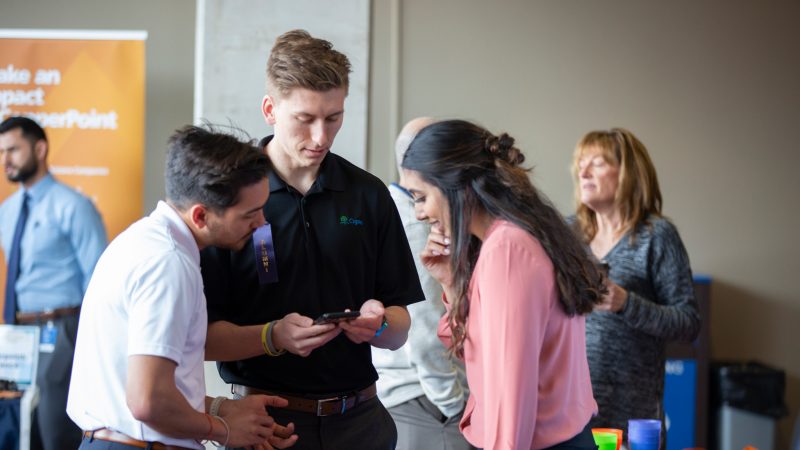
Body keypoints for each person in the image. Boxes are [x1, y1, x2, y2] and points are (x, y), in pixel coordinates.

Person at [200, 30, 423, 450]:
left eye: (334, 117)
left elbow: (399, 330)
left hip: (361, 424)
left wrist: (377, 326)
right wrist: (273, 336)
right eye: (305, 119)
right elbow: (202, 339)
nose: (321, 137)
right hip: (265, 426)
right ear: (270, 109)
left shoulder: (368, 194)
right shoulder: (226, 198)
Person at [67, 125, 298, 450]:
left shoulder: (143, 240)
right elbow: (147, 401)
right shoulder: (168, 264)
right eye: (250, 213)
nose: (262, 223)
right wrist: (223, 429)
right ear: (201, 215)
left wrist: (222, 408)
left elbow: (146, 384)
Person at [401, 119, 603, 450]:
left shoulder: (507, 250)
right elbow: (479, 355)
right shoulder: (513, 237)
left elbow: (510, 395)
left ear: (456, 186)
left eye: (421, 197)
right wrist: (451, 283)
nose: (420, 213)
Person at [570, 127, 701, 441]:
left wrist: (626, 303)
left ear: (628, 173)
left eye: (597, 163)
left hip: (633, 423)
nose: (582, 171)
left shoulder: (656, 235)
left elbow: (688, 324)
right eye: (580, 163)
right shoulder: (569, 234)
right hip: (569, 418)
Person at [0, 116, 107, 450]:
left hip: (62, 330)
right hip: (19, 334)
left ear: (40, 148)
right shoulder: (7, 210)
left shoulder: (74, 206)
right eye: (1, 152)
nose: (5, 160)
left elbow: (98, 279)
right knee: (18, 429)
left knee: (54, 430)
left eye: (13, 149)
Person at [373, 117, 473, 450]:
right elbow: (425, 329)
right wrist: (455, 405)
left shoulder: (385, 207)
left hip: (403, 395)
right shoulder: (418, 226)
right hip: (430, 403)